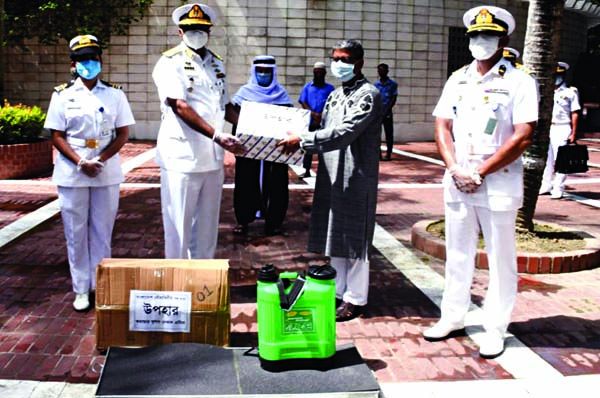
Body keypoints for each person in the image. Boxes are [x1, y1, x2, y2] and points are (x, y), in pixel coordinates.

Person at [424, 6, 539, 359]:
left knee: (501, 259)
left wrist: (480, 171)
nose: (480, 41)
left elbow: (523, 136)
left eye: (487, 35)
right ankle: (452, 317)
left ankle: (495, 328)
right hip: (459, 181)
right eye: (474, 36)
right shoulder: (458, 78)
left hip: (497, 182)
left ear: (504, 40)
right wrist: (456, 168)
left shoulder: (519, 81)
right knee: (457, 254)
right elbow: (442, 125)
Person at [278, 39, 382, 322]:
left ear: (359, 63)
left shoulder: (368, 94)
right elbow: (322, 128)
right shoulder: (335, 95)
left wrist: (302, 140)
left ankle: (356, 298)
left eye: (345, 59)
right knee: (337, 233)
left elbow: (346, 132)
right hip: (332, 173)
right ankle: (337, 291)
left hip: (357, 174)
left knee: (356, 237)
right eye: (335, 58)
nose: (339, 64)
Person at [44, 34, 135, 311]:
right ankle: (81, 288)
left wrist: (101, 160)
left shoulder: (115, 94)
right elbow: (56, 136)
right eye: (82, 60)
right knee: (75, 232)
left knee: (102, 231)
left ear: (101, 61)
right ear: (73, 64)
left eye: (93, 58)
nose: (88, 64)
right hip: (73, 172)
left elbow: (123, 134)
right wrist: (81, 162)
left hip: (105, 171)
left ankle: (101, 285)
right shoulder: (62, 95)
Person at [152, 3, 244, 259]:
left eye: (201, 29)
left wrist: (258, 132)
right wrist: (217, 134)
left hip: (212, 158)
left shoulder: (217, 64)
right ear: (180, 32)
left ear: (209, 32)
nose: (196, 33)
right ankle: (178, 285)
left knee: (207, 227)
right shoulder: (170, 62)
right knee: (178, 225)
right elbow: (179, 105)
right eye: (190, 29)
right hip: (181, 156)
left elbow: (226, 106)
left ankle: (202, 282)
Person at [231, 55, 294, 236]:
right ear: (254, 71)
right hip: (250, 149)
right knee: (245, 182)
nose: (264, 74)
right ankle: (243, 220)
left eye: (267, 71)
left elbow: (289, 121)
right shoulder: (244, 94)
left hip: (274, 150)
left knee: (276, 184)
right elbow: (236, 120)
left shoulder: (281, 94)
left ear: (273, 72)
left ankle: (274, 221)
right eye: (260, 71)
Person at [540, 62, 581, 199]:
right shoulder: (546, 90)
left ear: (563, 76)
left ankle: (558, 187)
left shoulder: (571, 92)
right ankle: (545, 185)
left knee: (561, 159)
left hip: (563, 126)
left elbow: (575, 113)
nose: (557, 77)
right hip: (548, 127)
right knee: (547, 158)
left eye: (560, 75)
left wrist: (574, 133)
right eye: (555, 74)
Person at [298, 62, 335, 177]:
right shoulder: (308, 87)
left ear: (325, 73)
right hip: (310, 121)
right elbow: (303, 102)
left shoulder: (330, 88)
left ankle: (324, 171)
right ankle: (306, 169)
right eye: (316, 72)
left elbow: (333, 103)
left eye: (321, 72)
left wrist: (322, 115)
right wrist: (313, 114)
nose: (318, 74)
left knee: (324, 147)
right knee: (308, 145)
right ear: (313, 73)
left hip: (325, 122)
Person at [374, 63, 398, 161]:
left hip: (387, 114)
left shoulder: (392, 84)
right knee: (376, 135)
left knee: (389, 134)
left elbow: (393, 98)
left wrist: (386, 111)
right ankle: (378, 154)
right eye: (380, 70)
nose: (382, 72)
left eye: (383, 70)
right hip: (378, 114)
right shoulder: (375, 85)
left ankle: (388, 154)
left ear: (387, 71)